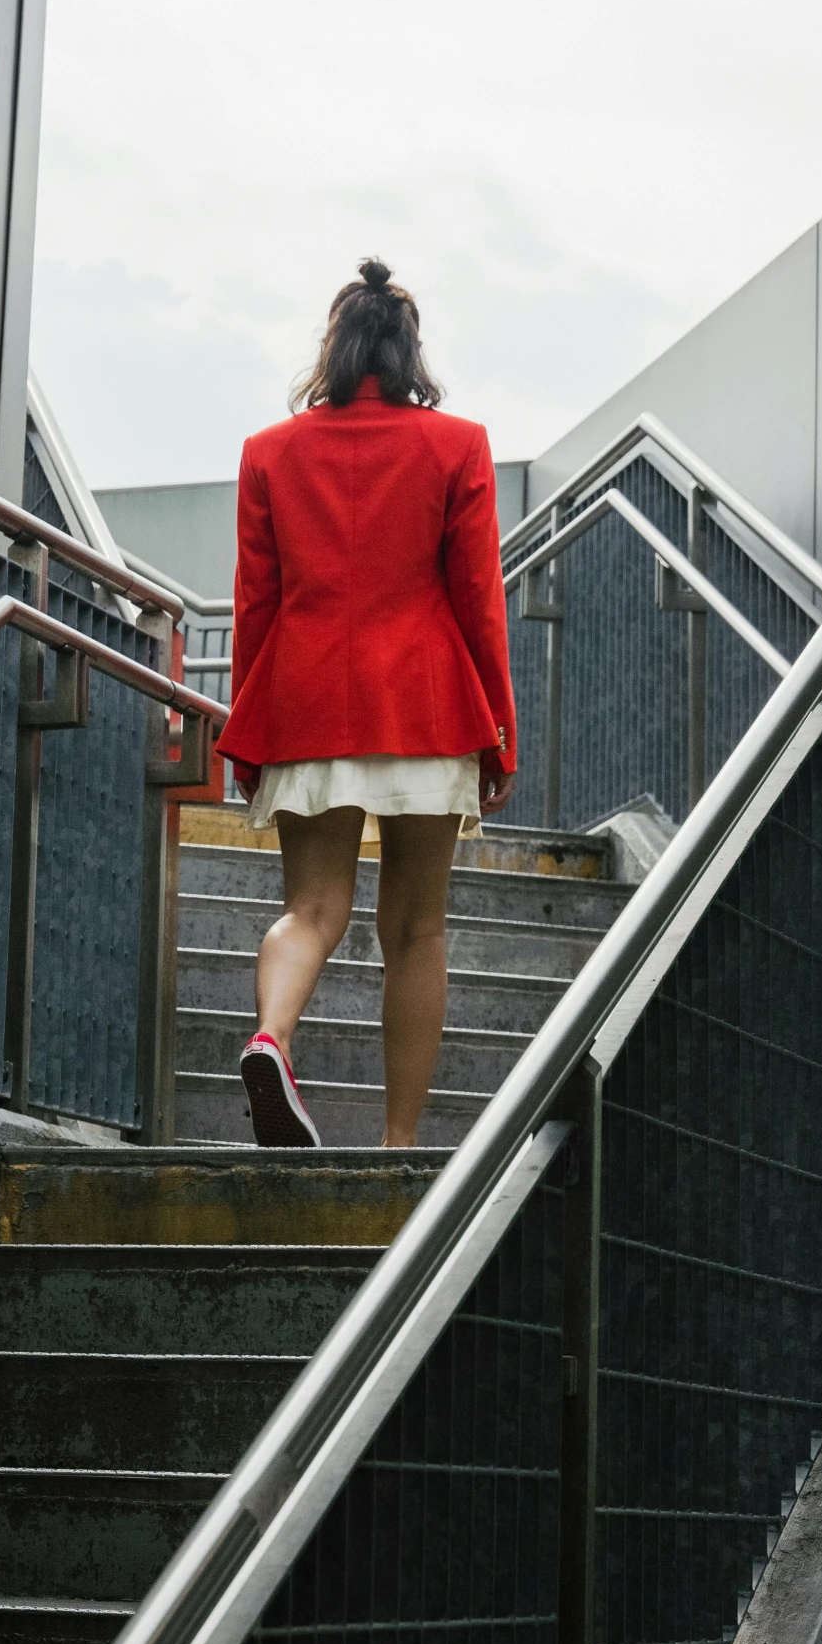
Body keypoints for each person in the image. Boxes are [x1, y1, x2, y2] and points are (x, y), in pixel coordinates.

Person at [215, 259, 518, 1149]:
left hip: (306, 703)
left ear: (334, 348)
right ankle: (396, 1146)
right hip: (425, 705)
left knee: (311, 910)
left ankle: (271, 1038)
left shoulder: (269, 453)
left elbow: (253, 605)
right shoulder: (457, 445)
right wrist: (498, 731)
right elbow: (478, 599)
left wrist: (244, 741)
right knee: (416, 929)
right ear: (408, 350)